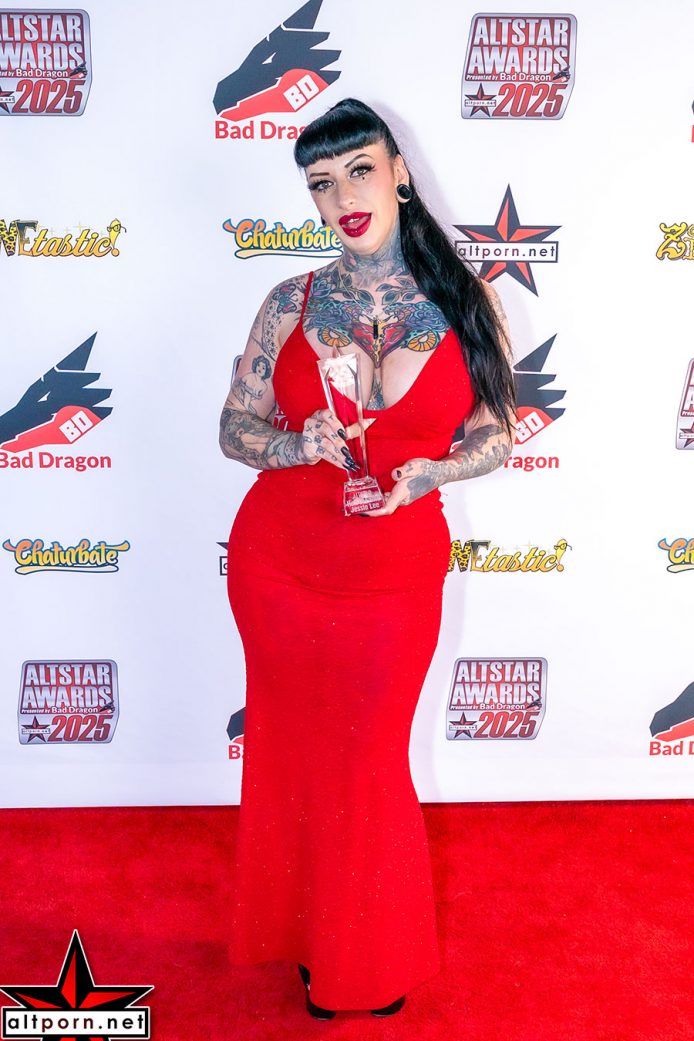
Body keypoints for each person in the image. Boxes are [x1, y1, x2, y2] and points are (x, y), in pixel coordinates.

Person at [219, 97, 516, 1019]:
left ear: (399, 173)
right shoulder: (290, 302)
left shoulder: (465, 301)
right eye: (320, 183)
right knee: (299, 755)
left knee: (370, 759)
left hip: (395, 568)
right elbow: (233, 427)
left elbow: (497, 433)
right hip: (279, 564)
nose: (342, 196)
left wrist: (433, 471)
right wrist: (294, 444)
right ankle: (310, 941)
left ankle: (364, 952)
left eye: (358, 170)